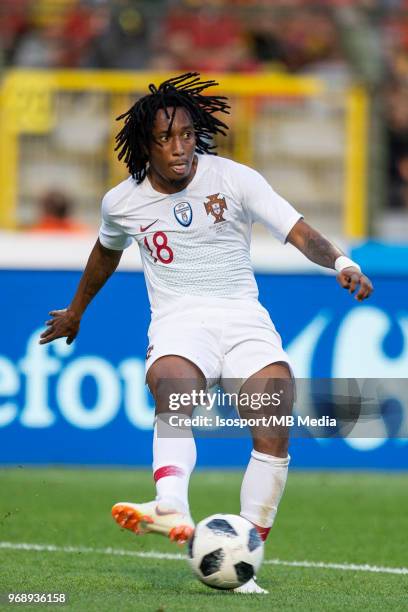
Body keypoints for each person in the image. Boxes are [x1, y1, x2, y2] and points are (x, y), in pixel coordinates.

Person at [39, 73, 373, 594]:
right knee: (174, 390)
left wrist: (342, 263)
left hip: (243, 317)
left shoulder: (234, 178)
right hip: (179, 321)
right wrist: (77, 311)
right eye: (166, 138)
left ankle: (245, 552)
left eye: (188, 135)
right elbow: (106, 251)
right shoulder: (122, 202)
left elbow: (298, 230)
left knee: (274, 418)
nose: (180, 148)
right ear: (144, 145)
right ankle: (171, 504)